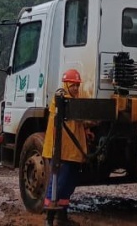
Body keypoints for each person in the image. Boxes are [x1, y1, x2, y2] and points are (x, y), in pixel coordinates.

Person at [42, 69, 92, 226]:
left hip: (73, 152)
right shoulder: (60, 100)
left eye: (77, 85)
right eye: (73, 85)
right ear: (66, 85)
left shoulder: (76, 102)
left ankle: (62, 216)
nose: (76, 88)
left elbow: (79, 122)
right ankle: (49, 217)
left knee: (69, 183)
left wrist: (88, 129)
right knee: (58, 182)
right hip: (61, 151)